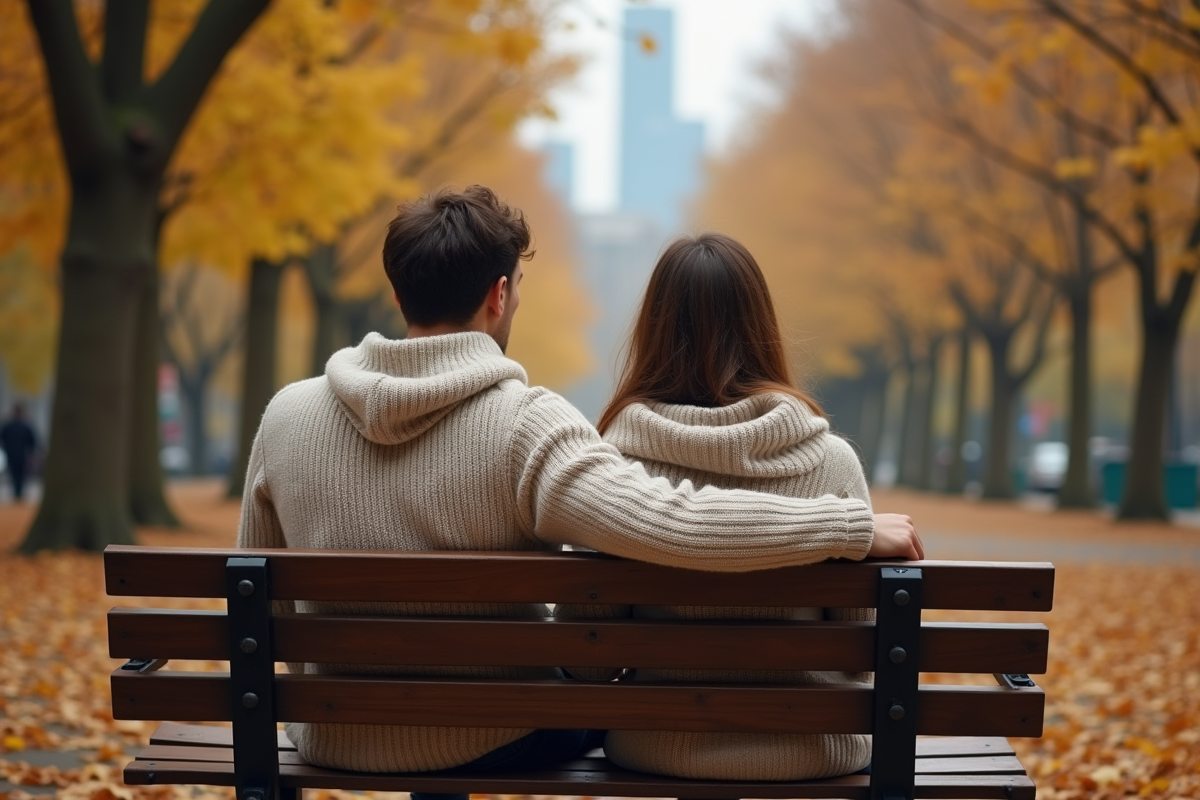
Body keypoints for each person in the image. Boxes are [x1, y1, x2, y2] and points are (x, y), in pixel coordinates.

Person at [236, 186, 921, 784]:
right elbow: (671, 521)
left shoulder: (287, 417)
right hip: (500, 735)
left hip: (329, 732)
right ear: (499, 294)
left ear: (396, 291)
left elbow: (260, 589)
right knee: (593, 716)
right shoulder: (528, 426)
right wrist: (847, 527)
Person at [562, 233, 892, 781]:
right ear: (761, 327)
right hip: (811, 746)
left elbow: (588, 660)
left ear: (654, 331)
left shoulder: (611, 469)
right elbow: (857, 656)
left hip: (661, 745)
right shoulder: (832, 464)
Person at [0, 404, 38, 502]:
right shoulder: (26, 426)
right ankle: (18, 494)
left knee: (14, 475)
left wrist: (5, 449)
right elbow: (33, 442)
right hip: (22, 455)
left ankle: (17, 493)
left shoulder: (8, 426)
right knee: (20, 475)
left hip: (11, 455)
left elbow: (2, 439)